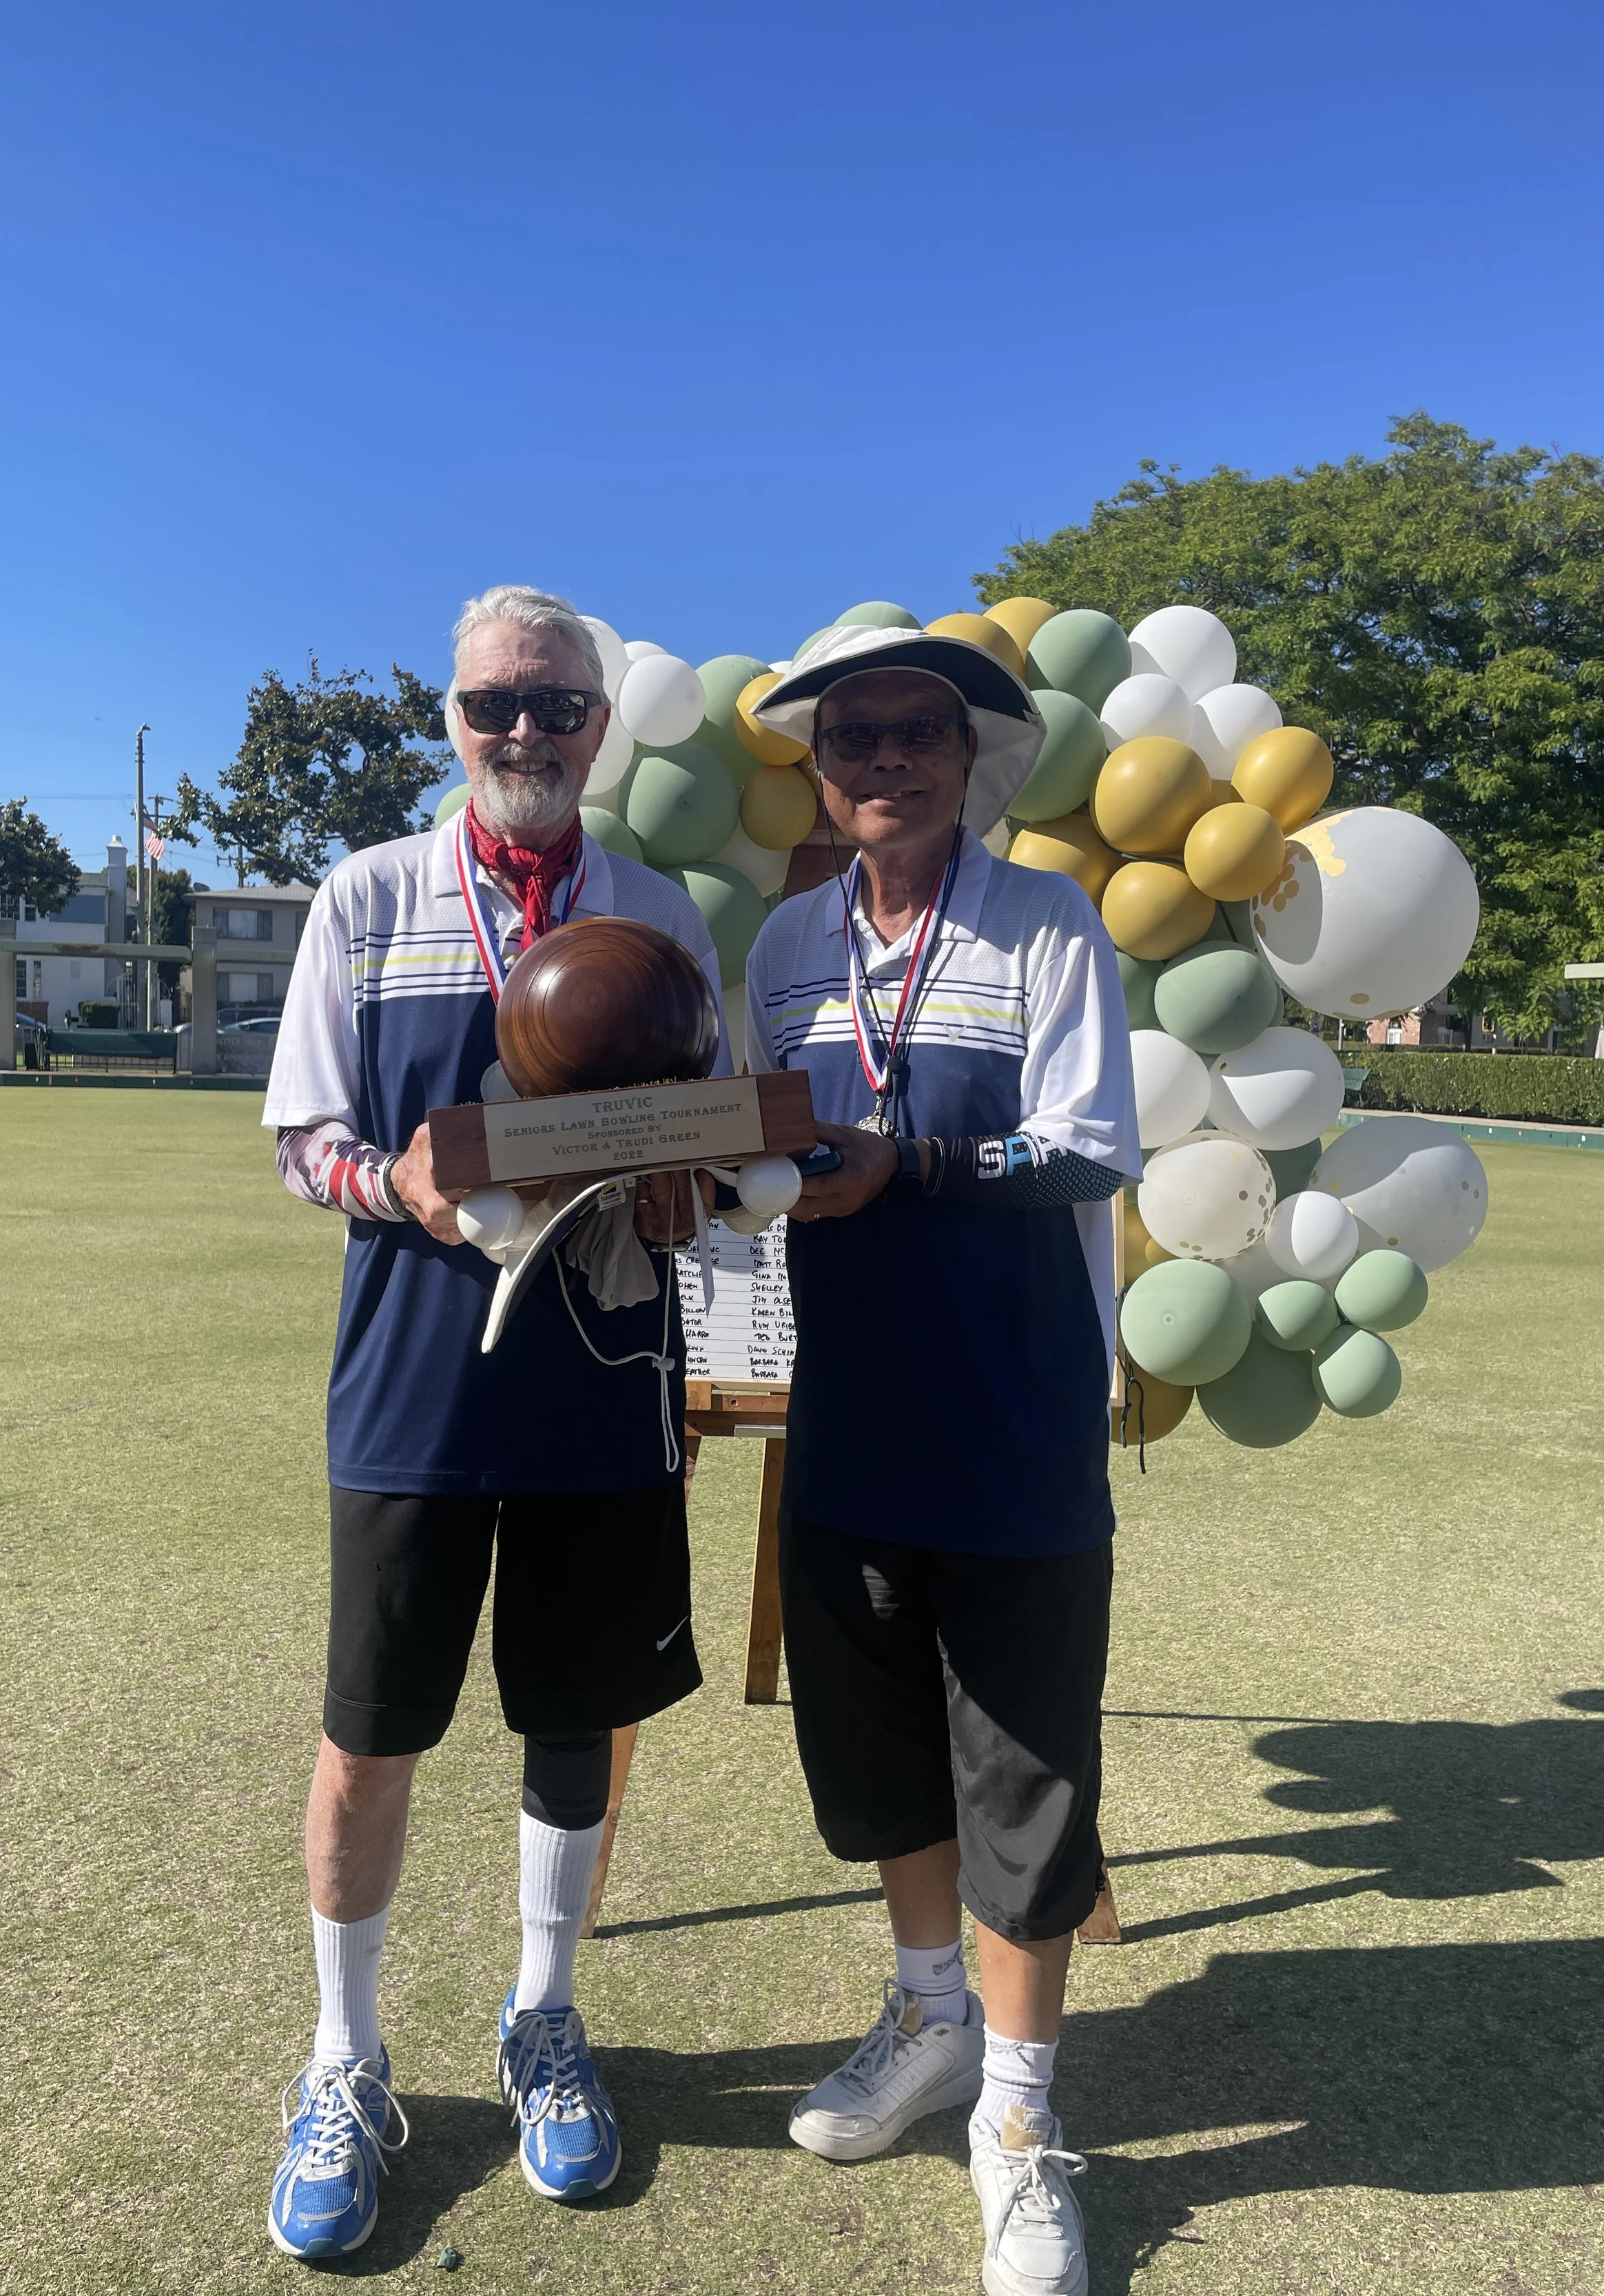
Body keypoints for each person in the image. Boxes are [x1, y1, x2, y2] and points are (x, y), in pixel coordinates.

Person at [259, 585, 726, 2260]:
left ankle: (541, 2015)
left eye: (555, 707)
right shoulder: (367, 895)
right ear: (448, 719)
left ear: (600, 725)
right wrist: (393, 1180)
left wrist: (685, 1198)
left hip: (603, 1381)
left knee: (573, 1717)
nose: (523, 733)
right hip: (411, 1381)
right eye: (491, 706)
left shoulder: (658, 908)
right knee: (370, 1732)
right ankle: (346, 2056)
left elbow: (706, 1152)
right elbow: (302, 1134)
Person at [743, 624, 1139, 2296]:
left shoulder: (1048, 923)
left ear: (972, 756)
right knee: (882, 1753)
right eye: (851, 741)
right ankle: (928, 2018)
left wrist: (902, 1163)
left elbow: (1082, 1147)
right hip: (848, 1423)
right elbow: (752, 1142)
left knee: (1026, 1785)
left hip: (1014, 1424)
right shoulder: (778, 945)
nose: (883, 762)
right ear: (820, 773)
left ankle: (1021, 2123)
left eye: (916, 732)